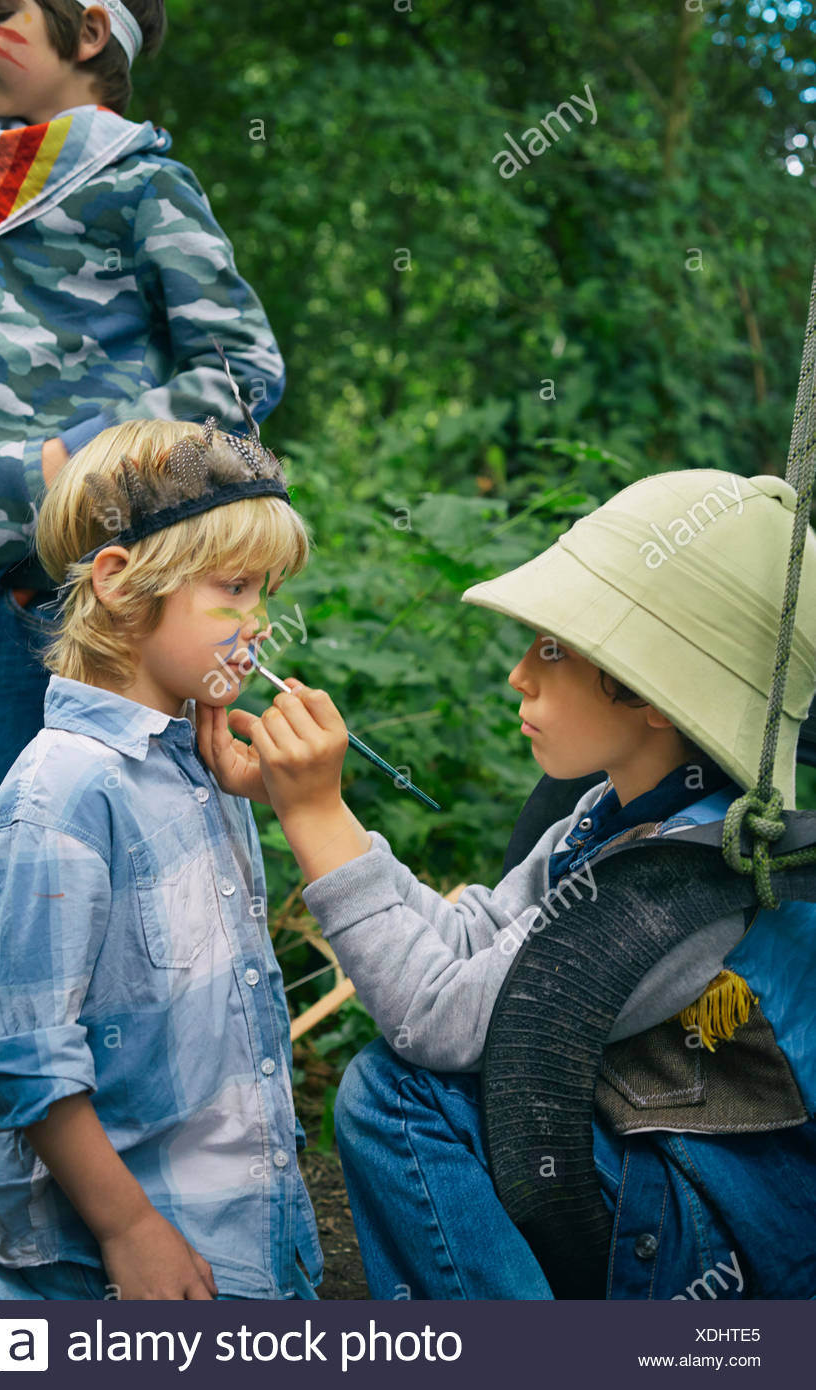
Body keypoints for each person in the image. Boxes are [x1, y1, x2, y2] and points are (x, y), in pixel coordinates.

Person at [200, 468, 816, 1300]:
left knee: (398, 1094)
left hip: (719, 1236)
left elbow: (437, 1018)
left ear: (654, 694)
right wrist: (313, 803)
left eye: (554, 649)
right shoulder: (618, 814)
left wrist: (311, 821)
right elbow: (471, 939)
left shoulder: (679, 882)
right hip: (653, 1164)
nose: (521, 674)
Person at [0, 413, 321, 1300]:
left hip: (245, 1248)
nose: (260, 622)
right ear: (119, 582)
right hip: (108, 1274)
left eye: (266, 591)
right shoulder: (61, 801)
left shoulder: (201, 766)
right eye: (235, 588)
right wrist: (126, 1226)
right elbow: (25, 1055)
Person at [0, 0, 286, 823]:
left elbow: (241, 379)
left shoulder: (142, 186)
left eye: (1, 13)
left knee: (29, 859)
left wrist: (57, 474)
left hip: (39, 603)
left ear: (91, 34)